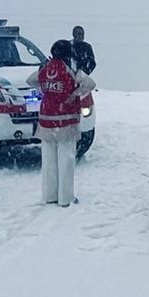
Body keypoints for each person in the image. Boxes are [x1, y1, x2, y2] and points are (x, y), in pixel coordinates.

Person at [28, 39, 95, 206]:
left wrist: (45, 92)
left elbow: (30, 80)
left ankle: (49, 195)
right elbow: (90, 84)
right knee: (66, 160)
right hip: (66, 120)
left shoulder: (44, 68)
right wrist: (75, 94)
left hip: (46, 120)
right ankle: (66, 197)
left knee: (48, 161)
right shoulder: (72, 69)